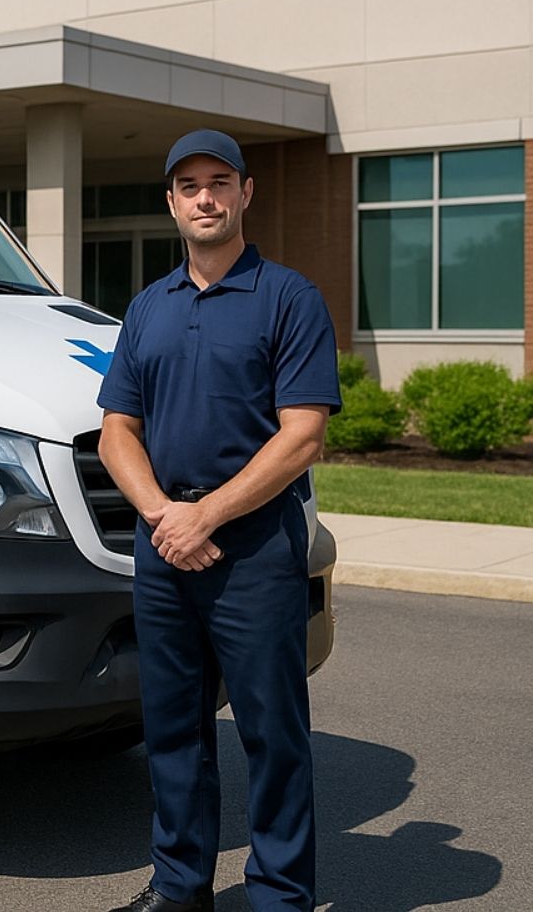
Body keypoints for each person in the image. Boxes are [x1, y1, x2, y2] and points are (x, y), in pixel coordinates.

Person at [96, 129, 342, 912]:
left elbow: (303, 433)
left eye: (219, 183)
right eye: (189, 186)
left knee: (273, 735)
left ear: (245, 193)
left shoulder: (289, 298)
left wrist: (207, 514)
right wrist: (165, 515)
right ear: (171, 202)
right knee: (172, 732)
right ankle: (180, 887)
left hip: (256, 550)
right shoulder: (147, 308)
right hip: (163, 551)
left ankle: (277, 895)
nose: (205, 198)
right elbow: (115, 432)